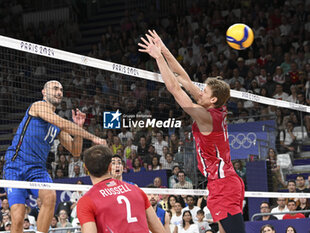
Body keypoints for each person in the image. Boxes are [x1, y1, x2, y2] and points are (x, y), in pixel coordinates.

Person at [139, 30, 245, 233]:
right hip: (221, 183)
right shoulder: (215, 106)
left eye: (204, 91)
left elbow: (176, 89)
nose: (200, 92)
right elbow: (182, 78)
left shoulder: (207, 117)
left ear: (212, 100)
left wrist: (158, 57)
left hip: (224, 185)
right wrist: (164, 48)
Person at [3, 80, 106, 233]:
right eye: (55, 88)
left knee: (50, 196)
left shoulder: (56, 123)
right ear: (44, 92)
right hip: (15, 166)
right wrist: (93, 138)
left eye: (61, 90)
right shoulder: (38, 106)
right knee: (18, 218)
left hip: (37, 169)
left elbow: (75, 151)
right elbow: (61, 122)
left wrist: (78, 129)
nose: (59, 92)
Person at [77, 145, 166, 233]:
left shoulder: (86, 202)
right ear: (111, 166)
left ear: (85, 168)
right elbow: (160, 231)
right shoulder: (137, 190)